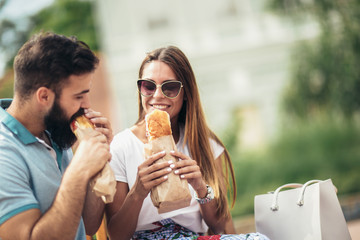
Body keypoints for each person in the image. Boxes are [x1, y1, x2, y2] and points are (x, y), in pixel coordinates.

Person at [106, 46, 239, 239]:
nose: (158, 95)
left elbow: (219, 226)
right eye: (148, 86)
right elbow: (116, 235)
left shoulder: (206, 145)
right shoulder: (120, 147)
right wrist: (138, 192)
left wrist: (201, 188)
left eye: (170, 87)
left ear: (186, 93)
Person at [0, 32, 112, 240]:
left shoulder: (56, 130)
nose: (87, 105)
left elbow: (87, 224)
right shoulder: (4, 153)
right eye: (79, 96)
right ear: (44, 96)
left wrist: (98, 164)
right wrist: (79, 170)